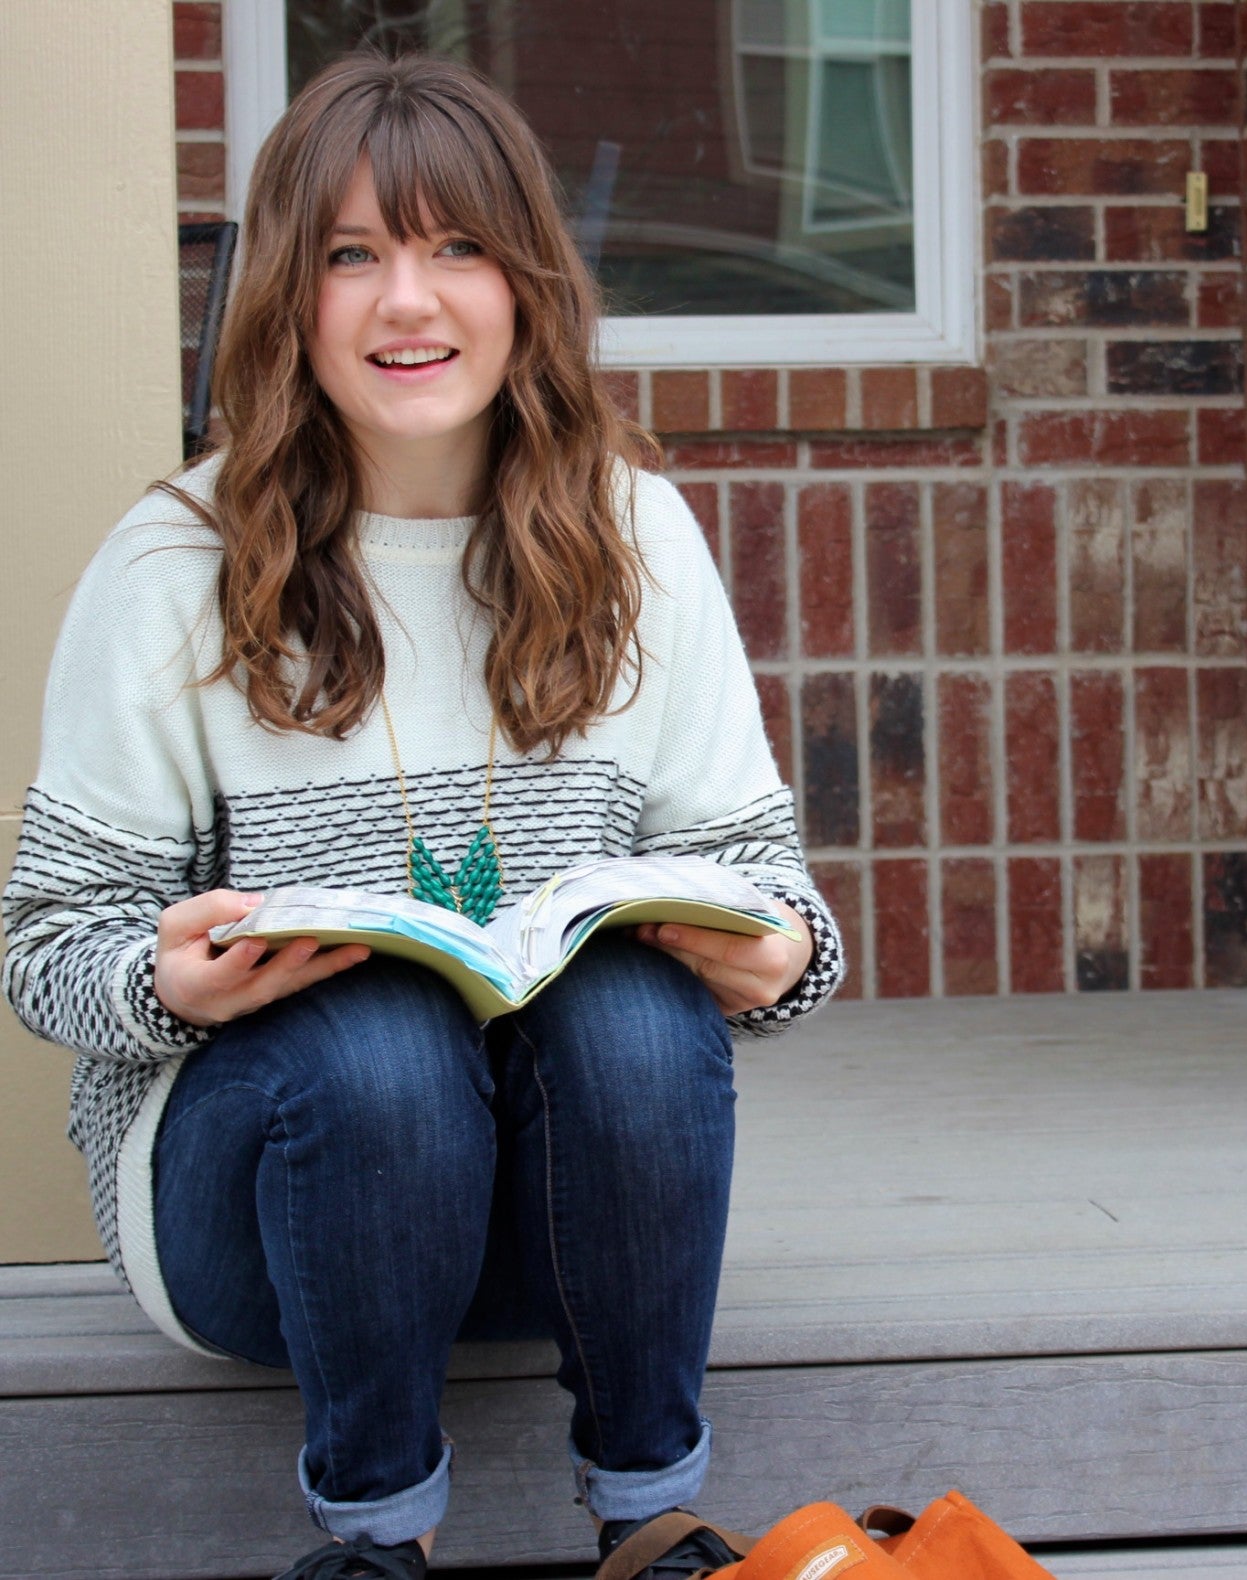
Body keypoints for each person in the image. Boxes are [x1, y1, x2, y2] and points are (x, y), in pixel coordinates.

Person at [0, 50, 844, 1580]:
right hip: (267, 1226)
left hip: (553, 1236)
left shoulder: (633, 532)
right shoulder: (172, 560)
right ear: (286, 293)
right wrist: (163, 981)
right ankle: (376, 1541)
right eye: (352, 254)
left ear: (524, 283)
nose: (408, 301)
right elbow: (48, 945)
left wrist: (779, 955)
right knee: (379, 1038)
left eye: (456, 246)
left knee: (638, 1016)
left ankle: (653, 1519)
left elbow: (766, 886)